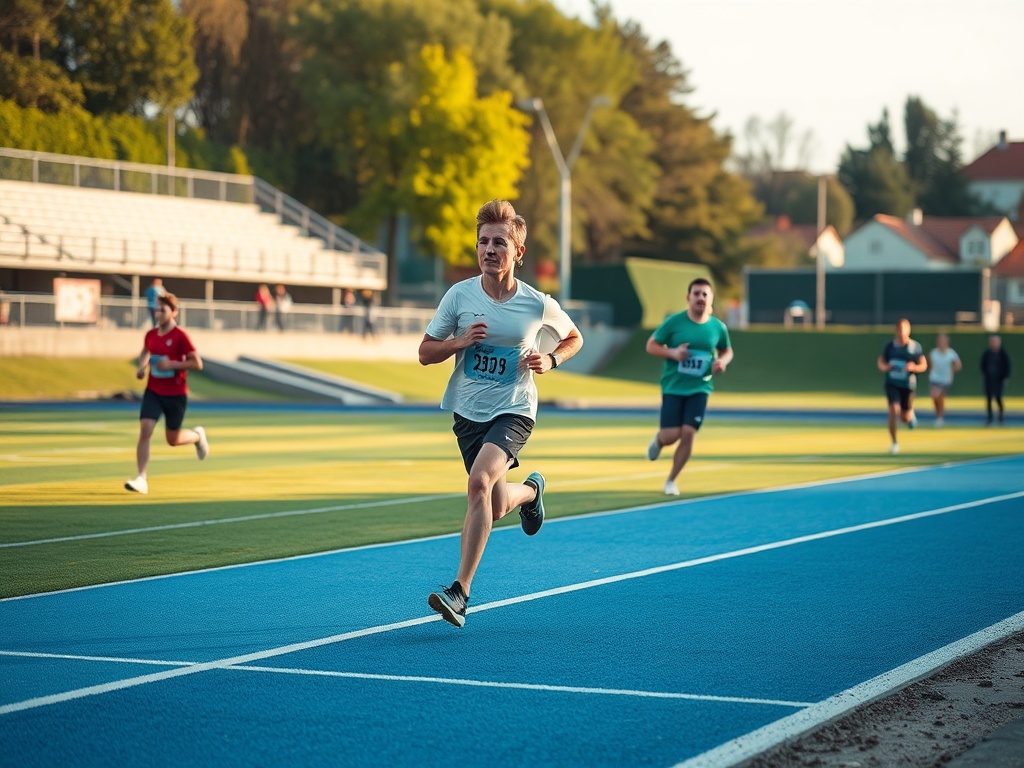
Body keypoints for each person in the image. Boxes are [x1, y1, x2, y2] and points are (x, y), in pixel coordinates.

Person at [418, 199, 583, 628]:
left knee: (478, 483)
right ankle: (532, 492)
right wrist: (459, 343)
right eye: (483, 242)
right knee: (493, 503)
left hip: (514, 410)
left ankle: (460, 591)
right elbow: (424, 353)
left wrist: (551, 361)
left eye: (499, 243)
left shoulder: (536, 304)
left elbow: (573, 337)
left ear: (517, 253)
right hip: (468, 413)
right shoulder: (459, 296)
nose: (489, 250)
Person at [644, 277, 734, 496]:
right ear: (688, 298)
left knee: (688, 433)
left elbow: (727, 350)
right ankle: (659, 440)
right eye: (697, 294)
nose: (701, 298)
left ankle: (671, 481)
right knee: (671, 435)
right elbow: (651, 345)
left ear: (711, 299)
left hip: (700, 388)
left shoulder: (717, 327)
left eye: (705, 294)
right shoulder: (675, 323)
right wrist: (673, 353)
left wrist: (722, 362)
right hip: (674, 386)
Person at [125, 293, 209, 494]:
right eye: (156, 309)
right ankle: (142, 478)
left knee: (173, 440)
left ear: (174, 312)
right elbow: (146, 352)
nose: (158, 313)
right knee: (145, 430)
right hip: (153, 391)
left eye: (163, 310)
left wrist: (172, 364)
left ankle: (197, 436)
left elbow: (197, 363)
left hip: (175, 394)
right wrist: (142, 367)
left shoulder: (180, 337)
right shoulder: (151, 335)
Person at [878, 318, 927, 454]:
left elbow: (923, 365)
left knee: (904, 417)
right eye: (899, 329)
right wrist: (885, 367)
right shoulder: (890, 346)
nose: (901, 333)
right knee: (894, 410)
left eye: (904, 329)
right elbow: (881, 361)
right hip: (892, 383)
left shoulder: (914, 347)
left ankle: (910, 416)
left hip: (907, 385)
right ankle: (894, 442)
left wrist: (914, 367)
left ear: (908, 330)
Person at [928, 333, 961, 428]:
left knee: (940, 398)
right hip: (935, 378)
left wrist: (950, 371)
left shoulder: (951, 353)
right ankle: (938, 416)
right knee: (935, 396)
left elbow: (958, 365)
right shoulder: (933, 353)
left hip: (945, 380)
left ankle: (940, 418)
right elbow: (930, 364)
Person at [980, 334, 1011, 426]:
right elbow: (982, 365)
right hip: (989, 380)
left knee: (998, 397)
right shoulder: (987, 354)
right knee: (989, 398)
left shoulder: (1003, 354)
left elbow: (1007, 366)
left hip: (999, 380)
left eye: (995, 341)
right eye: (992, 342)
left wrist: (1005, 377)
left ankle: (1001, 417)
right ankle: (989, 419)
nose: (994, 343)